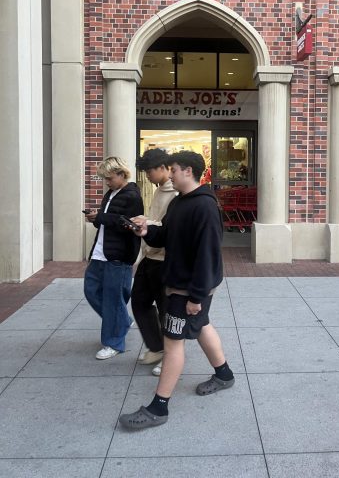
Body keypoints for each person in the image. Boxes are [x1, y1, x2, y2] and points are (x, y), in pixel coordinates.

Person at [119, 151, 234, 430]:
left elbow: (208, 255)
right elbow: (167, 236)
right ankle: (224, 375)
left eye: (174, 169)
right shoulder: (180, 202)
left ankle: (159, 408)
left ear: (189, 171)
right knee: (203, 325)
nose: (169, 174)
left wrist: (196, 296)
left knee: (172, 343)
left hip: (188, 289)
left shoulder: (205, 206)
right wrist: (145, 232)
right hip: (183, 285)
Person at [84, 156, 143, 359]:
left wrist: (100, 217)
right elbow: (109, 222)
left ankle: (114, 342)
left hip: (118, 256)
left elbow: (129, 225)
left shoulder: (133, 195)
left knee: (113, 300)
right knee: (91, 290)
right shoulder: (111, 193)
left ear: (120, 174)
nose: (106, 182)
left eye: (109, 178)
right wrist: (96, 218)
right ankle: (121, 321)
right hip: (101, 252)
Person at [132, 148, 177, 371]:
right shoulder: (159, 189)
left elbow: (169, 228)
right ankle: (156, 346)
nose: (147, 176)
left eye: (149, 171)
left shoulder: (176, 193)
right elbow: (157, 221)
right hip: (149, 255)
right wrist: (146, 221)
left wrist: (146, 223)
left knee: (166, 310)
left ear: (163, 168)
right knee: (139, 302)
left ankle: (170, 355)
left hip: (164, 260)